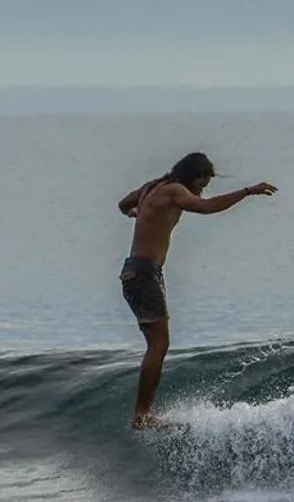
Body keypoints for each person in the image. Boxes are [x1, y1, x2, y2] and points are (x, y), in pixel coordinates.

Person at [117, 153, 277, 429]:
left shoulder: (151, 187)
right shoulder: (175, 191)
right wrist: (247, 191)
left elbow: (123, 204)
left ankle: (143, 414)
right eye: (201, 184)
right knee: (159, 346)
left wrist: (136, 212)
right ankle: (142, 416)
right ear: (191, 176)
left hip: (134, 272)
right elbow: (207, 207)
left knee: (156, 345)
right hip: (144, 274)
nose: (201, 190)